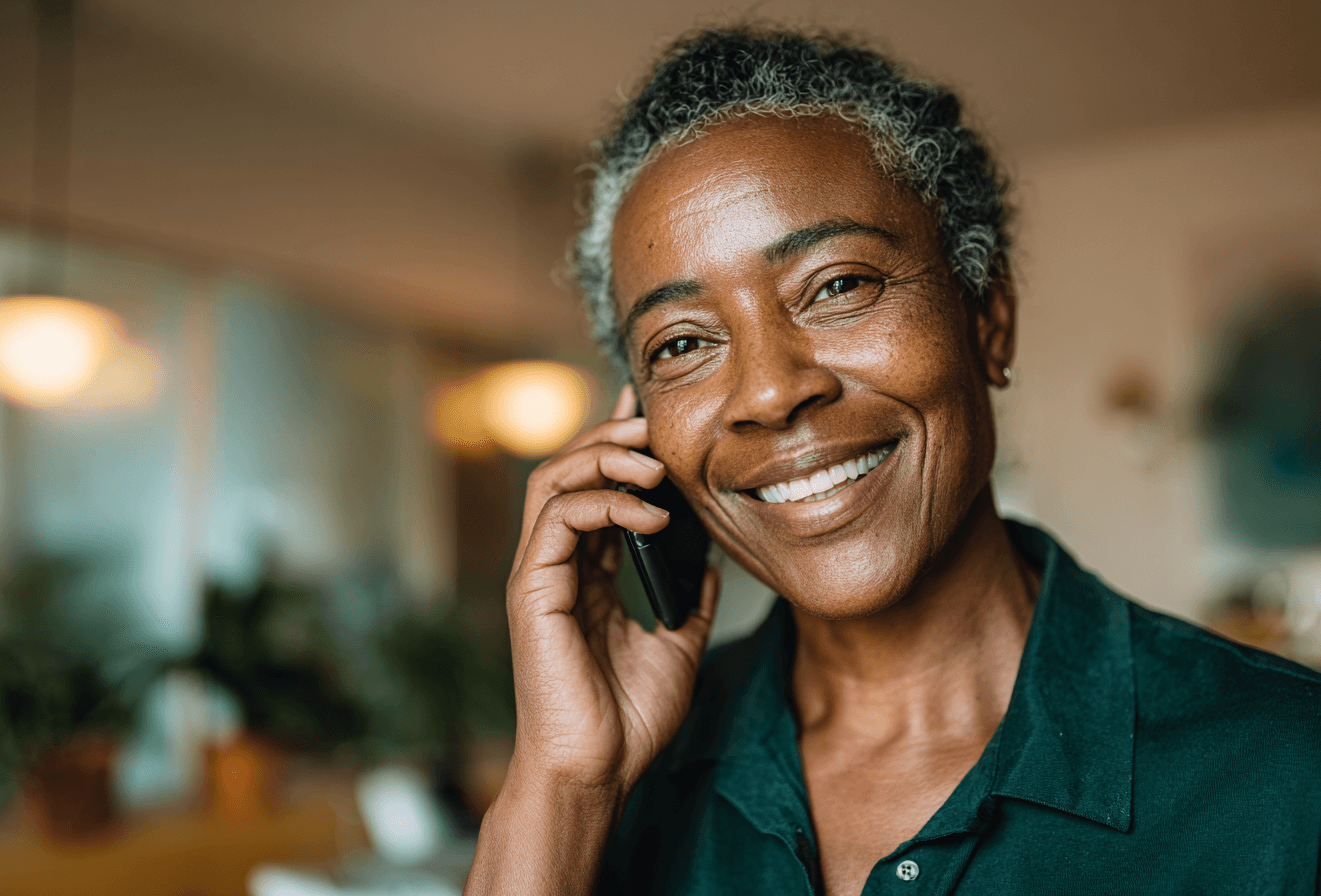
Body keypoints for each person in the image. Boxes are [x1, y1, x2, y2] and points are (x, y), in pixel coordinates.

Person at [464, 28, 1321, 896]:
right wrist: (566, 783)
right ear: (642, 428)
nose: (768, 392)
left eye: (839, 285)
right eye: (682, 342)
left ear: (987, 319)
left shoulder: (1289, 772)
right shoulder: (614, 787)